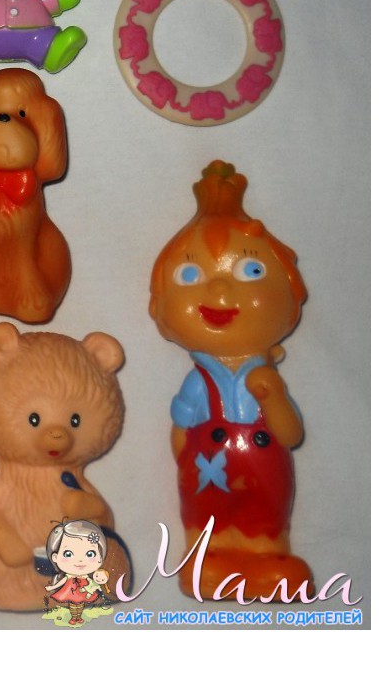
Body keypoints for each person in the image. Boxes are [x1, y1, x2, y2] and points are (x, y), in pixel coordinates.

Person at [149, 161, 311, 598]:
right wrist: (189, 464)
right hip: (208, 475)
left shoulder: (266, 378)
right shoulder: (198, 383)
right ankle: (208, 559)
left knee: (266, 520)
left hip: (264, 473)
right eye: (189, 275)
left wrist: (274, 398)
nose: (219, 292)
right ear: (159, 307)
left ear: (290, 299)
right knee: (209, 521)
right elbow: (180, 434)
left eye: (250, 271)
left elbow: (291, 434)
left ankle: (270, 558)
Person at [44, 519, 109, 625]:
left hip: (83, 590)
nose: (80, 561)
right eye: (68, 554)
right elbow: (62, 581)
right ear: (55, 557)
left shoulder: (88, 577)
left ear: (100, 557)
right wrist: (52, 587)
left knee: (81, 604)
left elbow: (94, 582)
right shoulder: (69, 576)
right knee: (74, 604)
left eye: (90, 554)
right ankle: (74, 617)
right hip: (71, 590)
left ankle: (78, 617)